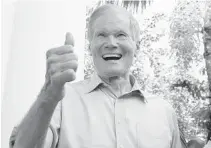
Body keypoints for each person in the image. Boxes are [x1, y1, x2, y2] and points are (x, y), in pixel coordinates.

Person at [9, 4, 183, 148]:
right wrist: (48, 94)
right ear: (91, 45)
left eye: (121, 35)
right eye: (101, 35)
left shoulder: (164, 112)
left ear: (137, 45)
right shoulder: (61, 100)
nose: (111, 43)